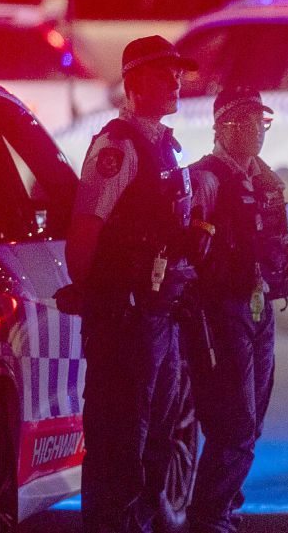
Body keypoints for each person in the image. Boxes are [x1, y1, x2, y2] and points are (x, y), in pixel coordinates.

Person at [65, 35, 201, 533]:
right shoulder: (117, 148)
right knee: (120, 442)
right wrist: (105, 303)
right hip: (124, 320)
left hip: (158, 316)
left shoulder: (166, 144)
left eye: (178, 74)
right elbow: (83, 238)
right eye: (163, 74)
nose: (175, 83)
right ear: (134, 82)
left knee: (156, 441)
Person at [185, 86, 288, 533]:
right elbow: (189, 249)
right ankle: (210, 517)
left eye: (261, 122)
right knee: (233, 422)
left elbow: (279, 238)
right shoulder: (205, 178)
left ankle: (225, 507)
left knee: (251, 421)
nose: (256, 130)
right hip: (220, 309)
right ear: (221, 127)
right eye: (245, 121)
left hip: (259, 307)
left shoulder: (268, 179)